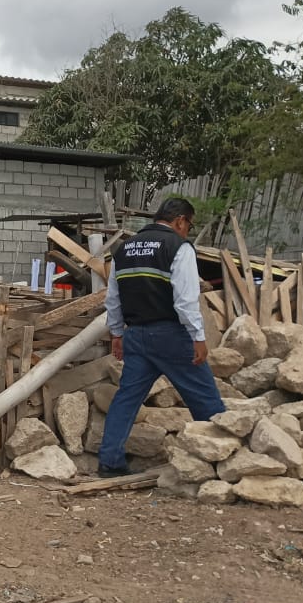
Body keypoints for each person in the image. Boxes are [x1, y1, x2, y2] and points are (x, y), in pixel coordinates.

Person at [99, 197, 225, 478]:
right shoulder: (178, 247)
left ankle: (109, 462)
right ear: (180, 220)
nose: (188, 231)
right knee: (204, 396)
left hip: (136, 336)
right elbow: (185, 300)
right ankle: (222, 458)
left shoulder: (123, 249)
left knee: (126, 399)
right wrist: (198, 337)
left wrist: (117, 334)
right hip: (172, 336)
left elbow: (113, 299)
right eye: (189, 225)